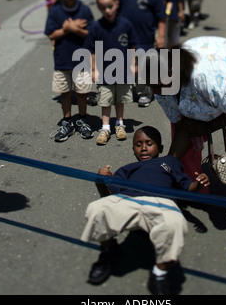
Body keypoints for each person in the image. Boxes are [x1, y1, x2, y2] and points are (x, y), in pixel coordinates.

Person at [148, 37, 226, 256]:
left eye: (160, 85)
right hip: (217, 92)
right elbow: (182, 128)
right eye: (152, 85)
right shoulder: (160, 83)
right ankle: (193, 190)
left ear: (173, 72)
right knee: (186, 138)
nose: (156, 90)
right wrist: (165, 167)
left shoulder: (206, 79)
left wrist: (208, 126)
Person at [81, 126, 210, 295]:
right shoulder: (126, 170)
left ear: (161, 148)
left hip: (162, 203)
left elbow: (187, 187)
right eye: (138, 144)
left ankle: (160, 272)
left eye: (149, 143)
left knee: (175, 223)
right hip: (130, 201)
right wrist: (101, 181)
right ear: (133, 149)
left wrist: (198, 183)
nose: (143, 148)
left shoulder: (169, 163)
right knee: (97, 209)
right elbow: (109, 197)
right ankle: (109, 250)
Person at [44, 0, 95, 142]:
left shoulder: (84, 10)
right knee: (65, 92)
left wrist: (73, 29)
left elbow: (92, 34)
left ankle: (82, 118)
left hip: (82, 61)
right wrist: (66, 29)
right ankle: (67, 121)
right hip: (62, 60)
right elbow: (51, 34)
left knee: (82, 93)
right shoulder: (56, 11)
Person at [83, 0, 138, 145]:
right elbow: (91, 50)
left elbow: (132, 45)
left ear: (116, 4)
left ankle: (119, 124)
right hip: (104, 72)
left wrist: (133, 64)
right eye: (103, 8)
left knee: (120, 100)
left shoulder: (125, 24)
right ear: (99, 9)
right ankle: (105, 127)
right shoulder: (96, 27)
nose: (107, 10)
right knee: (105, 100)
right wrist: (94, 69)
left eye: (110, 6)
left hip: (123, 71)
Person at [118, 0, 166, 107]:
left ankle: (145, 92)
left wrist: (161, 36)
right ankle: (128, 90)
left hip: (145, 37)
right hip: (126, 38)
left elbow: (162, 18)